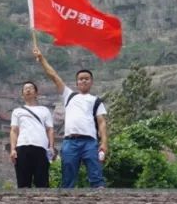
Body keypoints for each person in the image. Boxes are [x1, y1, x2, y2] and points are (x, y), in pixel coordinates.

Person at [33, 46, 108, 188]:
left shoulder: (96, 100)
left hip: (90, 142)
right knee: (68, 173)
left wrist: (104, 143)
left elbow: (102, 122)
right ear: (77, 83)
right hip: (70, 141)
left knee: (95, 172)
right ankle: (66, 200)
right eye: (81, 79)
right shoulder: (69, 95)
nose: (84, 81)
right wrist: (42, 59)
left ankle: (100, 198)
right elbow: (54, 76)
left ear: (91, 82)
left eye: (87, 79)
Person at [9, 81, 54, 188]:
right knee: (23, 182)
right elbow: (14, 130)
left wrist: (51, 147)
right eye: (25, 89)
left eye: (31, 88)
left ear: (36, 93)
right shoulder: (17, 111)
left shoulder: (44, 110)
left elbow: (50, 129)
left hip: (41, 147)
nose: (28, 90)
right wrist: (13, 149)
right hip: (22, 147)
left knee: (42, 181)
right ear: (22, 94)